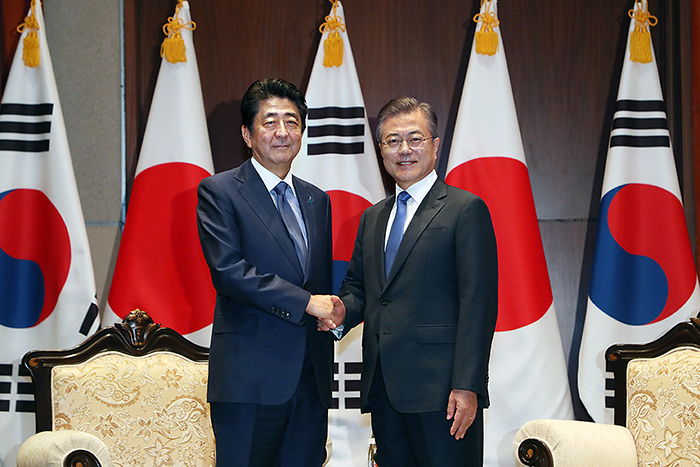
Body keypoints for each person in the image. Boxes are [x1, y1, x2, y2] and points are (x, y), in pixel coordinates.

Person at [327, 97, 498, 466]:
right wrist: (342, 310)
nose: (404, 150)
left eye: (415, 139)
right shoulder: (373, 218)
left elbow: (478, 305)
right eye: (392, 141)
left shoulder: (465, 209)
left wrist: (468, 385)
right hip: (385, 389)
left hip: (444, 396)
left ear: (435, 146)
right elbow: (360, 288)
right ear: (381, 151)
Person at [196, 78, 341, 467]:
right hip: (249, 381)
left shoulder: (317, 200)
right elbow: (229, 271)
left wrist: (336, 313)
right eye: (270, 122)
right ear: (248, 133)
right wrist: (306, 303)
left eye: (292, 122)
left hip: (310, 379)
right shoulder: (220, 191)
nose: (282, 132)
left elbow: (319, 281)